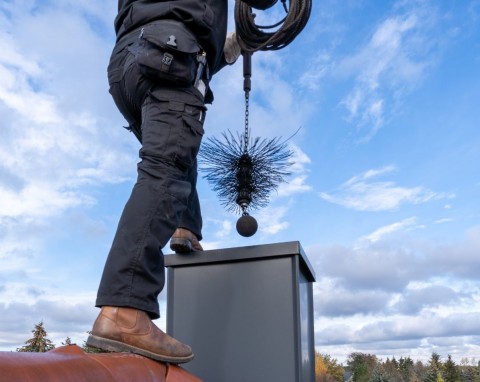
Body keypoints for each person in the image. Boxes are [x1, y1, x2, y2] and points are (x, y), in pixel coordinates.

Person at [87, 0, 274, 365]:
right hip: (168, 53)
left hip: (129, 62)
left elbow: (176, 18)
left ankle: (186, 228)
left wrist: (233, 44)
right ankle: (124, 309)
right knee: (166, 169)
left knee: (175, 154)